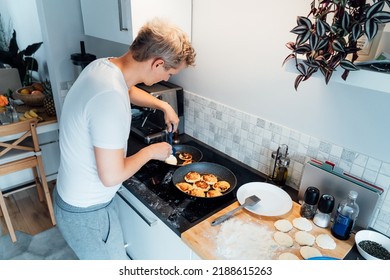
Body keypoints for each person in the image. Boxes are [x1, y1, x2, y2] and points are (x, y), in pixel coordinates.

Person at [53, 18, 196, 260]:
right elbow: (111, 176)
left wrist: (162, 105)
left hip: (72, 200)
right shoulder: (109, 97)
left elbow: (127, 88)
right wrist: (151, 151)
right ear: (158, 63)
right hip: (88, 213)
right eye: (170, 72)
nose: (168, 77)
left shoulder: (103, 67)